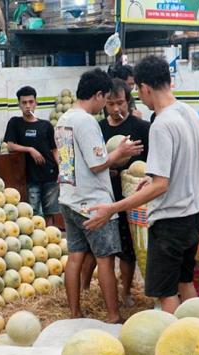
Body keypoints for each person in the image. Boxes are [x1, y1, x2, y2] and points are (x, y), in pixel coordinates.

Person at [85, 55, 199, 314]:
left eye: (139, 92)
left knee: (166, 293)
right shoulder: (190, 114)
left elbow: (161, 186)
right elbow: (196, 161)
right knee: (185, 282)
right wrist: (152, 178)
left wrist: (113, 208)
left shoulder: (161, 124)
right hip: (193, 216)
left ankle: (177, 346)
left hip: (170, 221)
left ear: (145, 88)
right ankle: (198, 329)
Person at [55, 68, 143, 322]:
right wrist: (120, 152)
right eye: (105, 99)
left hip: (69, 198)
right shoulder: (86, 121)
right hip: (93, 203)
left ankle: (75, 312)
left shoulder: (64, 120)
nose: (106, 106)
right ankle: (114, 316)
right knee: (105, 260)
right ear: (98, 94)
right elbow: (97, 163)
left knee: (75, 258)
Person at [95, 77, 151, 306]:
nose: (116, 108)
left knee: (129, 249)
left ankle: (126, 290)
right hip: (106, 196)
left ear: (129, 101)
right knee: (103, 250)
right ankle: (101, 290)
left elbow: (151, 161)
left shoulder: (142, 128)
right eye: (111, 104)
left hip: (136, 197)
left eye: (120, 102)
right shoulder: (99, 129)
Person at [3, 86, 60, 224]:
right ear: (19, 104)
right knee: (32, 213)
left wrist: (61, 169)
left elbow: (54, 150)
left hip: (50, 175)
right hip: (30, 177)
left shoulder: (46, 125)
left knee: (50, 213)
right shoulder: (15, 123)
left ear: (36, 103)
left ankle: (52, 242)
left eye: (30, 102)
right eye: (24, 103)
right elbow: (10, 145)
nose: (28, 106)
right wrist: (30, 149)